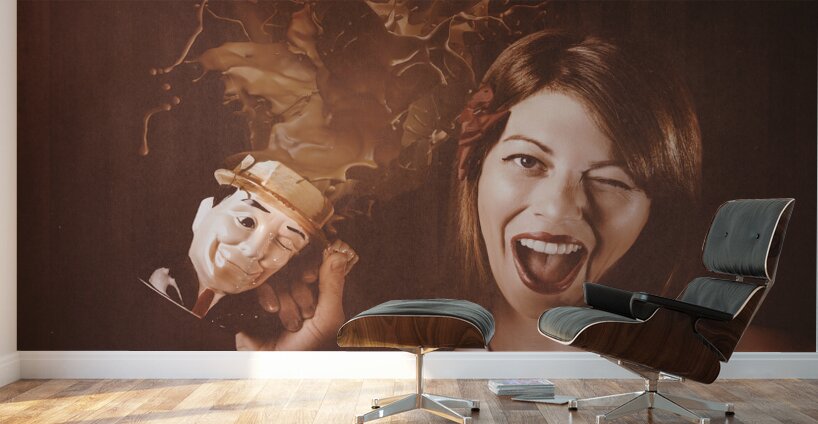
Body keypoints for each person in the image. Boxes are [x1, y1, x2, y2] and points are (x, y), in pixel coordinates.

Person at [454, 30, 702, 350]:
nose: (557, 208)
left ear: (655, 211)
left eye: (611, 181)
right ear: (475, 167)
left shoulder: (732, 360)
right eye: (527, 161)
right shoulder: (403, 359)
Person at [144, 154, 358, 351]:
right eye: (245, 221)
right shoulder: (147, 291)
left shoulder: (240, 325)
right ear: (204, 212)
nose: (255, 249)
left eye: (286, 243)